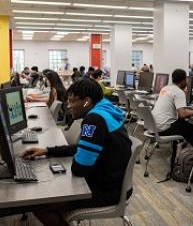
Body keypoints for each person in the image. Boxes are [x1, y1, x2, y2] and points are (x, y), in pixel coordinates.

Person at [22, 80, 132, 226]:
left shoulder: (93, 121)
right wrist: (48, 151)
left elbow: (80, 169)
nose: (68, 106)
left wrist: (66, 165)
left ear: (86, 101)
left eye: (72, 101)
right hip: (115, 182)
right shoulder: (104, 110)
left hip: (106, 191)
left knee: (41, 204)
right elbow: (84, 146)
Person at [152, 69, 193, 147]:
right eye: (186, 80)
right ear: (183, 80)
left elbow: (178, 113)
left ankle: (181, 149)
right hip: (164, 129)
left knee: (183, 123)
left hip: (154, 126)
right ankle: (190, 155)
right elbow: (182, 114)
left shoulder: (165, 88)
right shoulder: (179, 92)